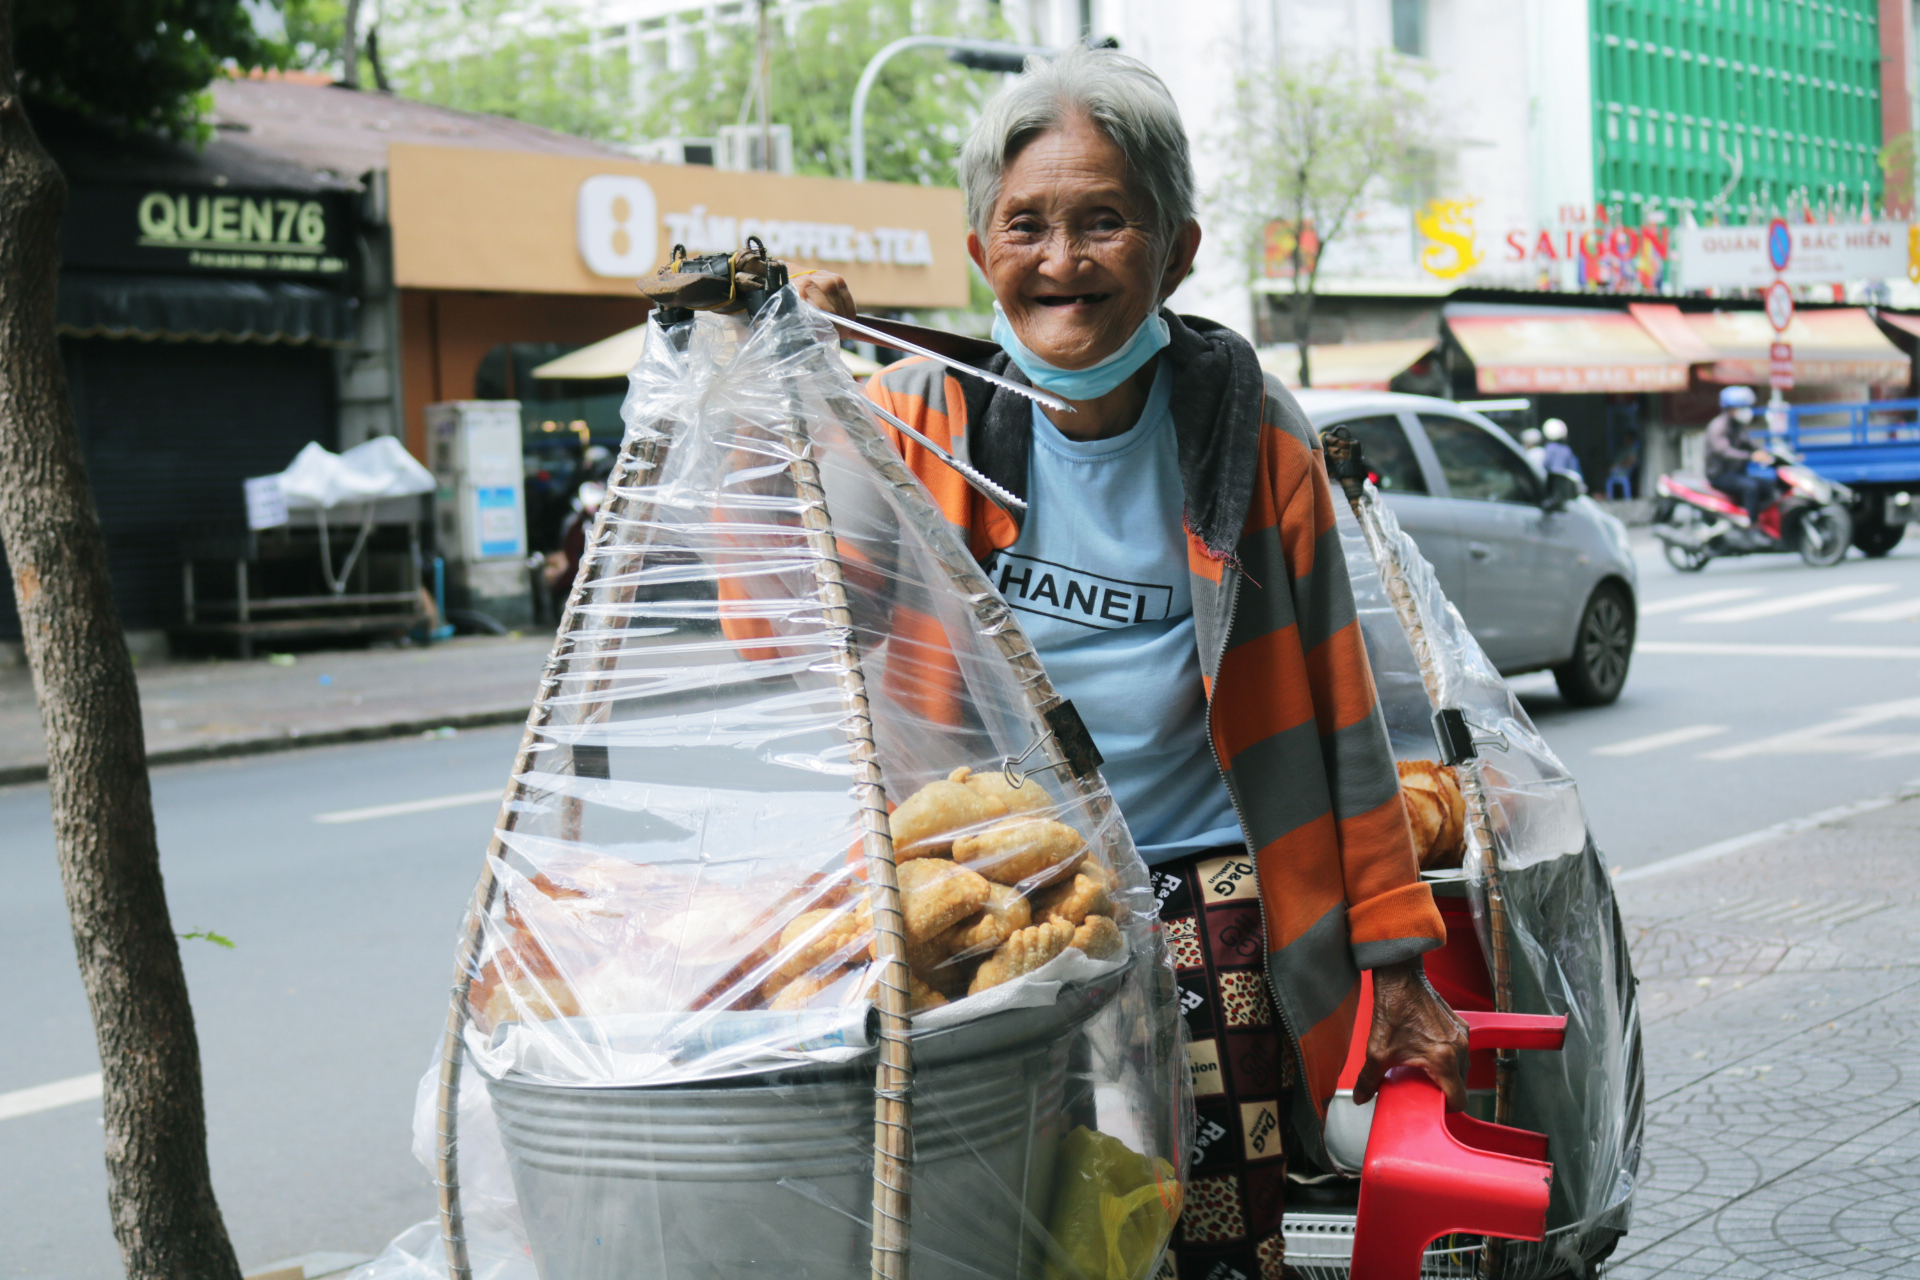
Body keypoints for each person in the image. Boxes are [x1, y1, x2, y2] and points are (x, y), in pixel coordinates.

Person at [797, 45, 1466, 1278]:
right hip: (999, 893)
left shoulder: (1250, 434)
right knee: (1011, 1233)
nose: (1063, 259)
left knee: (1216, 1240)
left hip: (1209, 894)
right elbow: (788, 611)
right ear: (979, 247)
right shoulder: (917, 418)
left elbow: (1345, 718)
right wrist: (800, 391)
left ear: (1180, 247)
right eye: (1027, 224)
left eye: (1105, 221)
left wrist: (1399, 966)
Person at [1704, 386, 1775, 526]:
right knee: (1751, 486)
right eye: (1742, 408)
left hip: (1737, 474)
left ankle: (1765, 522)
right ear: (1731, 409)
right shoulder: (1719, 426)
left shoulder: (1738, 426)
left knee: (1769, 485)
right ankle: (1751, 524)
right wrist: (1751, 457)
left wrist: (1770, 453)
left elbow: (1751, 444)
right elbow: (1724, 452)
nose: (1746, 411)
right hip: (1720, 475)